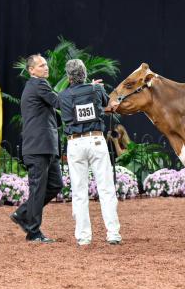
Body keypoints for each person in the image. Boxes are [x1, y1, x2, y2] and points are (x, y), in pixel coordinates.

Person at [59, 59, 122, 246]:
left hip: (75, 144)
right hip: (95, 140)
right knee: (106, 189)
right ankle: (113, 234)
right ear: (84, 73)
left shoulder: (63, 96)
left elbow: (71, 114)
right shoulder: (96, 90)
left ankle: (83, 237)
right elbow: (108, 105)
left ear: (69, 77)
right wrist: (92, 87)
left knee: (79, 192)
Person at [10, 54, 63, 243]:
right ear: (31, 70)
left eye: (46, 64)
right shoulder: (39, 85)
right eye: (41, 66)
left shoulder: (36, 86)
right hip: (39, 147)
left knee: (56, 185)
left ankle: (22, 213)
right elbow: (59, 102)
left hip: (45, 146)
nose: (46, 68)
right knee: (38, 189)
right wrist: (84, 91)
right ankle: (33, 232)